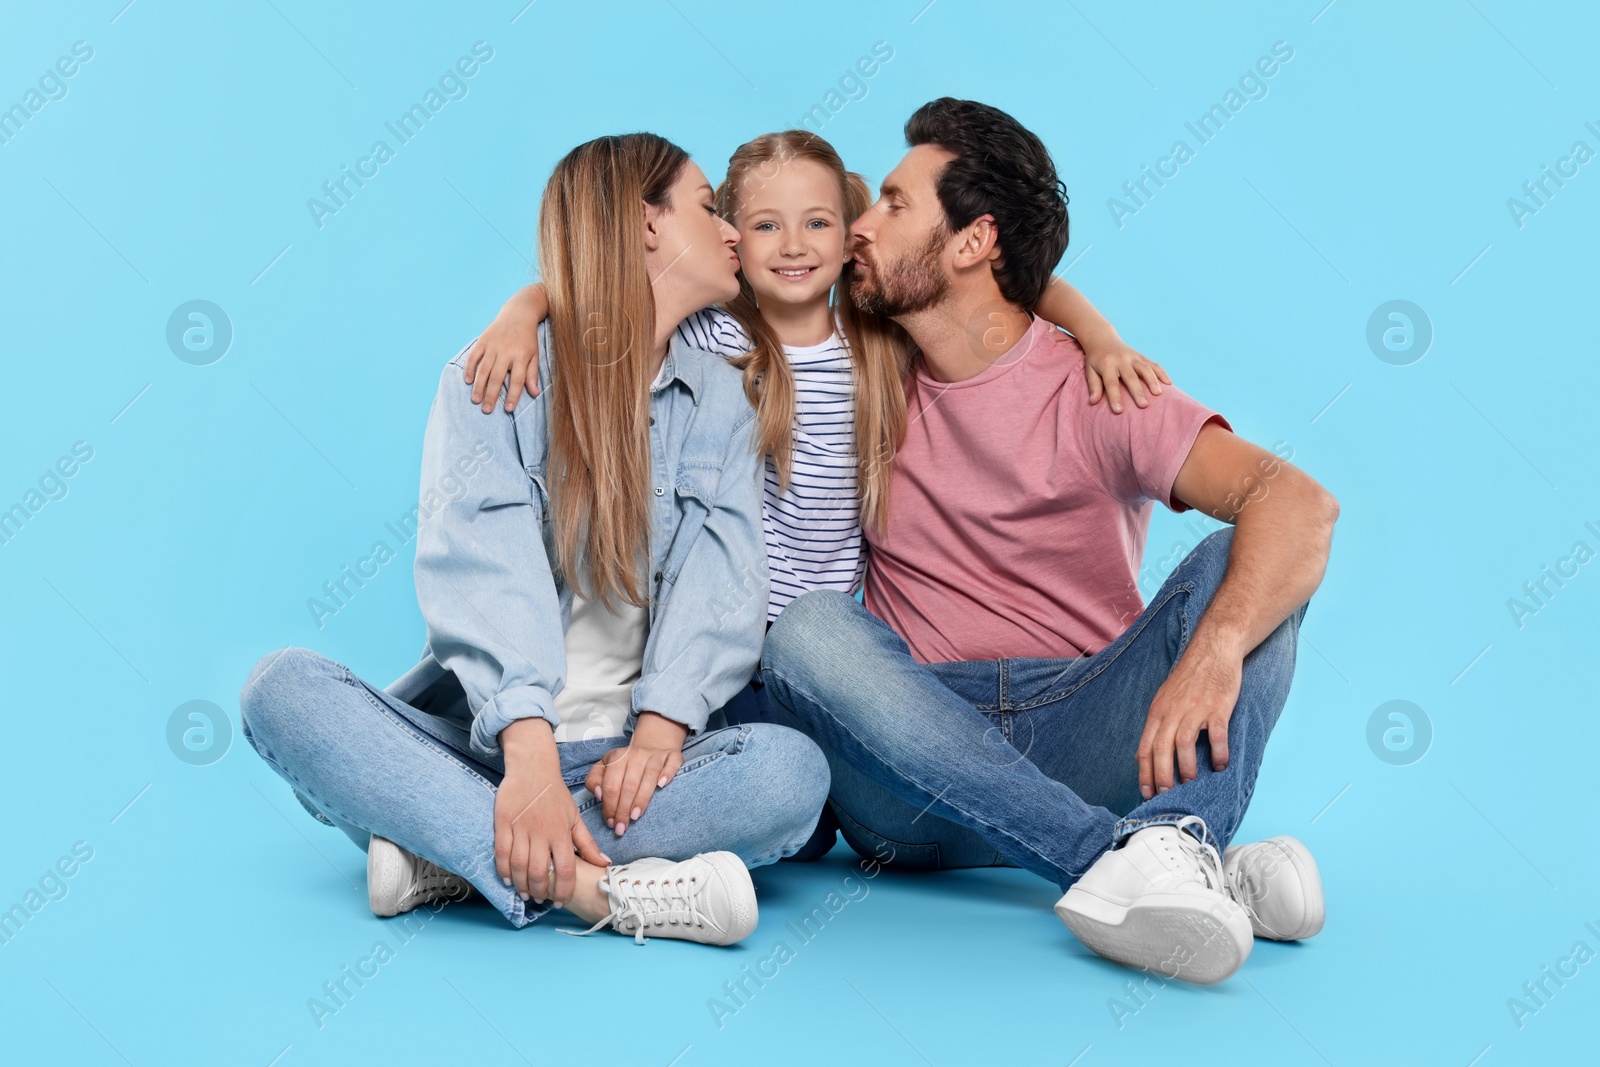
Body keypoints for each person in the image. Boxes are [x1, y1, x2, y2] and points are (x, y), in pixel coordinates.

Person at [463, 128, 1172, 857]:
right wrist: (522, 310)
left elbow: (1011, 280)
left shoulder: (876, 339)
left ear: (850, 242)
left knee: (804, 809)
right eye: (765, 225)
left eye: (818, 223)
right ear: (729, 238)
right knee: (773, 817)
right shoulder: (712, 337)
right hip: (716, 659)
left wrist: (1097, 333)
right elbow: (612, 281)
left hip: (825, 663)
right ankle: (531, 835)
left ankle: (528, 842)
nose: (793, 245)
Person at [758, 99, 1340, 983]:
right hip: (906, 767)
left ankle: (1171, 846)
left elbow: (1299, 505)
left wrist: (1217, 646)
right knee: (806, 631)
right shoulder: (858, 364)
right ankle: (1146, 857)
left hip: (1083, 725)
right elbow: (692, 279)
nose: (860, 228)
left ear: (971, 241)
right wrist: (531, 307)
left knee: (1246, 571)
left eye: (893, 202)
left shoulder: (1102, 391)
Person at [239, 133, 829, 946]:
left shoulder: (725, 397)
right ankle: (593, 889)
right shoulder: (497, 374)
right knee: (282, 690)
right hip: (494, 754)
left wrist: (659, 732)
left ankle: (450, 855)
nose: (732, 232)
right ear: (644, 224)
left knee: (793, 773)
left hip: (641, 772)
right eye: (708, 208)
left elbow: (723, 581)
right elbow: (486, 572)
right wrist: (528, 762)